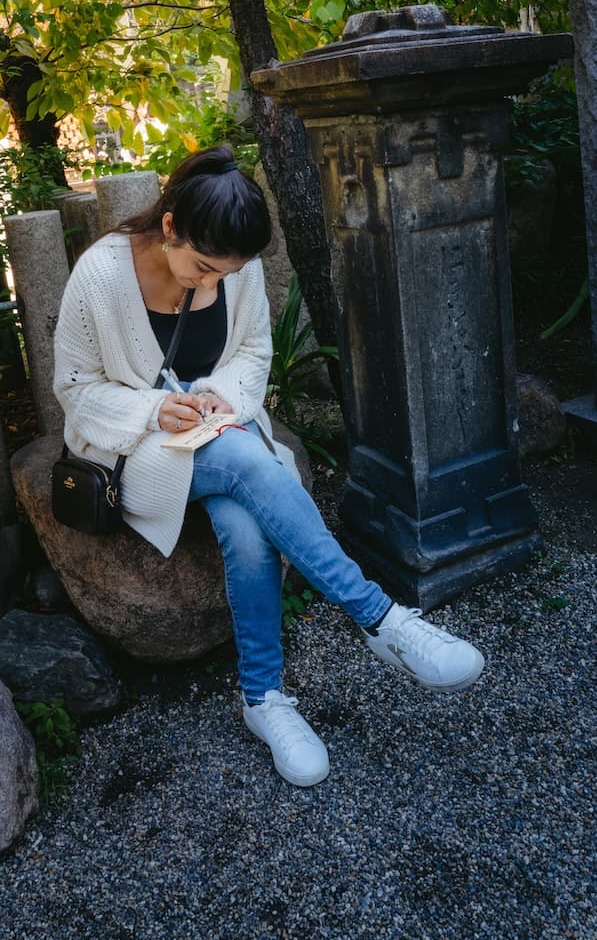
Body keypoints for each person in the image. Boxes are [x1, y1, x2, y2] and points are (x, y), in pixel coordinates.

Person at [53, 145, 484, 786]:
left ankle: (263, 699)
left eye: (222, 276)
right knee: (241, 458)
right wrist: (152, 409)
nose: (208, 285)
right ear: (169, 225)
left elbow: (253, 348)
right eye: (200, 268)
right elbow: (75, 388)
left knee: (246, 524)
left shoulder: (234, 269)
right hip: (135, 449)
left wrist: (220, 395)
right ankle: (379, 616)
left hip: (219, 428)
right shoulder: (99, 277)